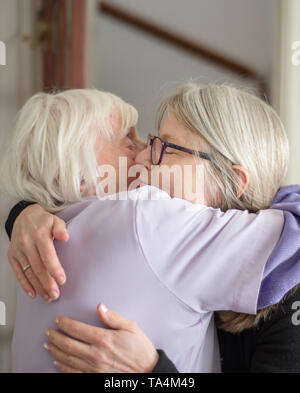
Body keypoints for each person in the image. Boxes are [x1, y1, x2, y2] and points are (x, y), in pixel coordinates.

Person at [3, 84, 300, 372]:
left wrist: (153, 371)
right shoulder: (145, 220)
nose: (145, 157)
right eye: (133, 142)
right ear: (74, 172)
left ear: (231, 183)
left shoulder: (52, 238)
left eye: (166, 149)